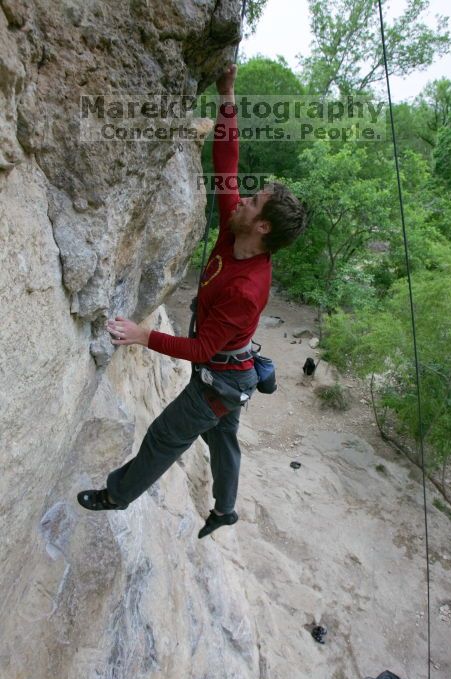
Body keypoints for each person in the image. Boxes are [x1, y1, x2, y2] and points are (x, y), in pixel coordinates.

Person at [77, 64, 308, 538]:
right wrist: (228, 95)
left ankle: (117, 494)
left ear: (262, 227)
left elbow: (202, 353)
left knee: (167, 435)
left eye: (254, 202)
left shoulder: (248, 289)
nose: (243, 199)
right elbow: (226, 163)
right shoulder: (233, 229)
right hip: (234, 371)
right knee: (224, 440)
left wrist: (143, 336)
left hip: (218, 382)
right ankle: (225, 509)